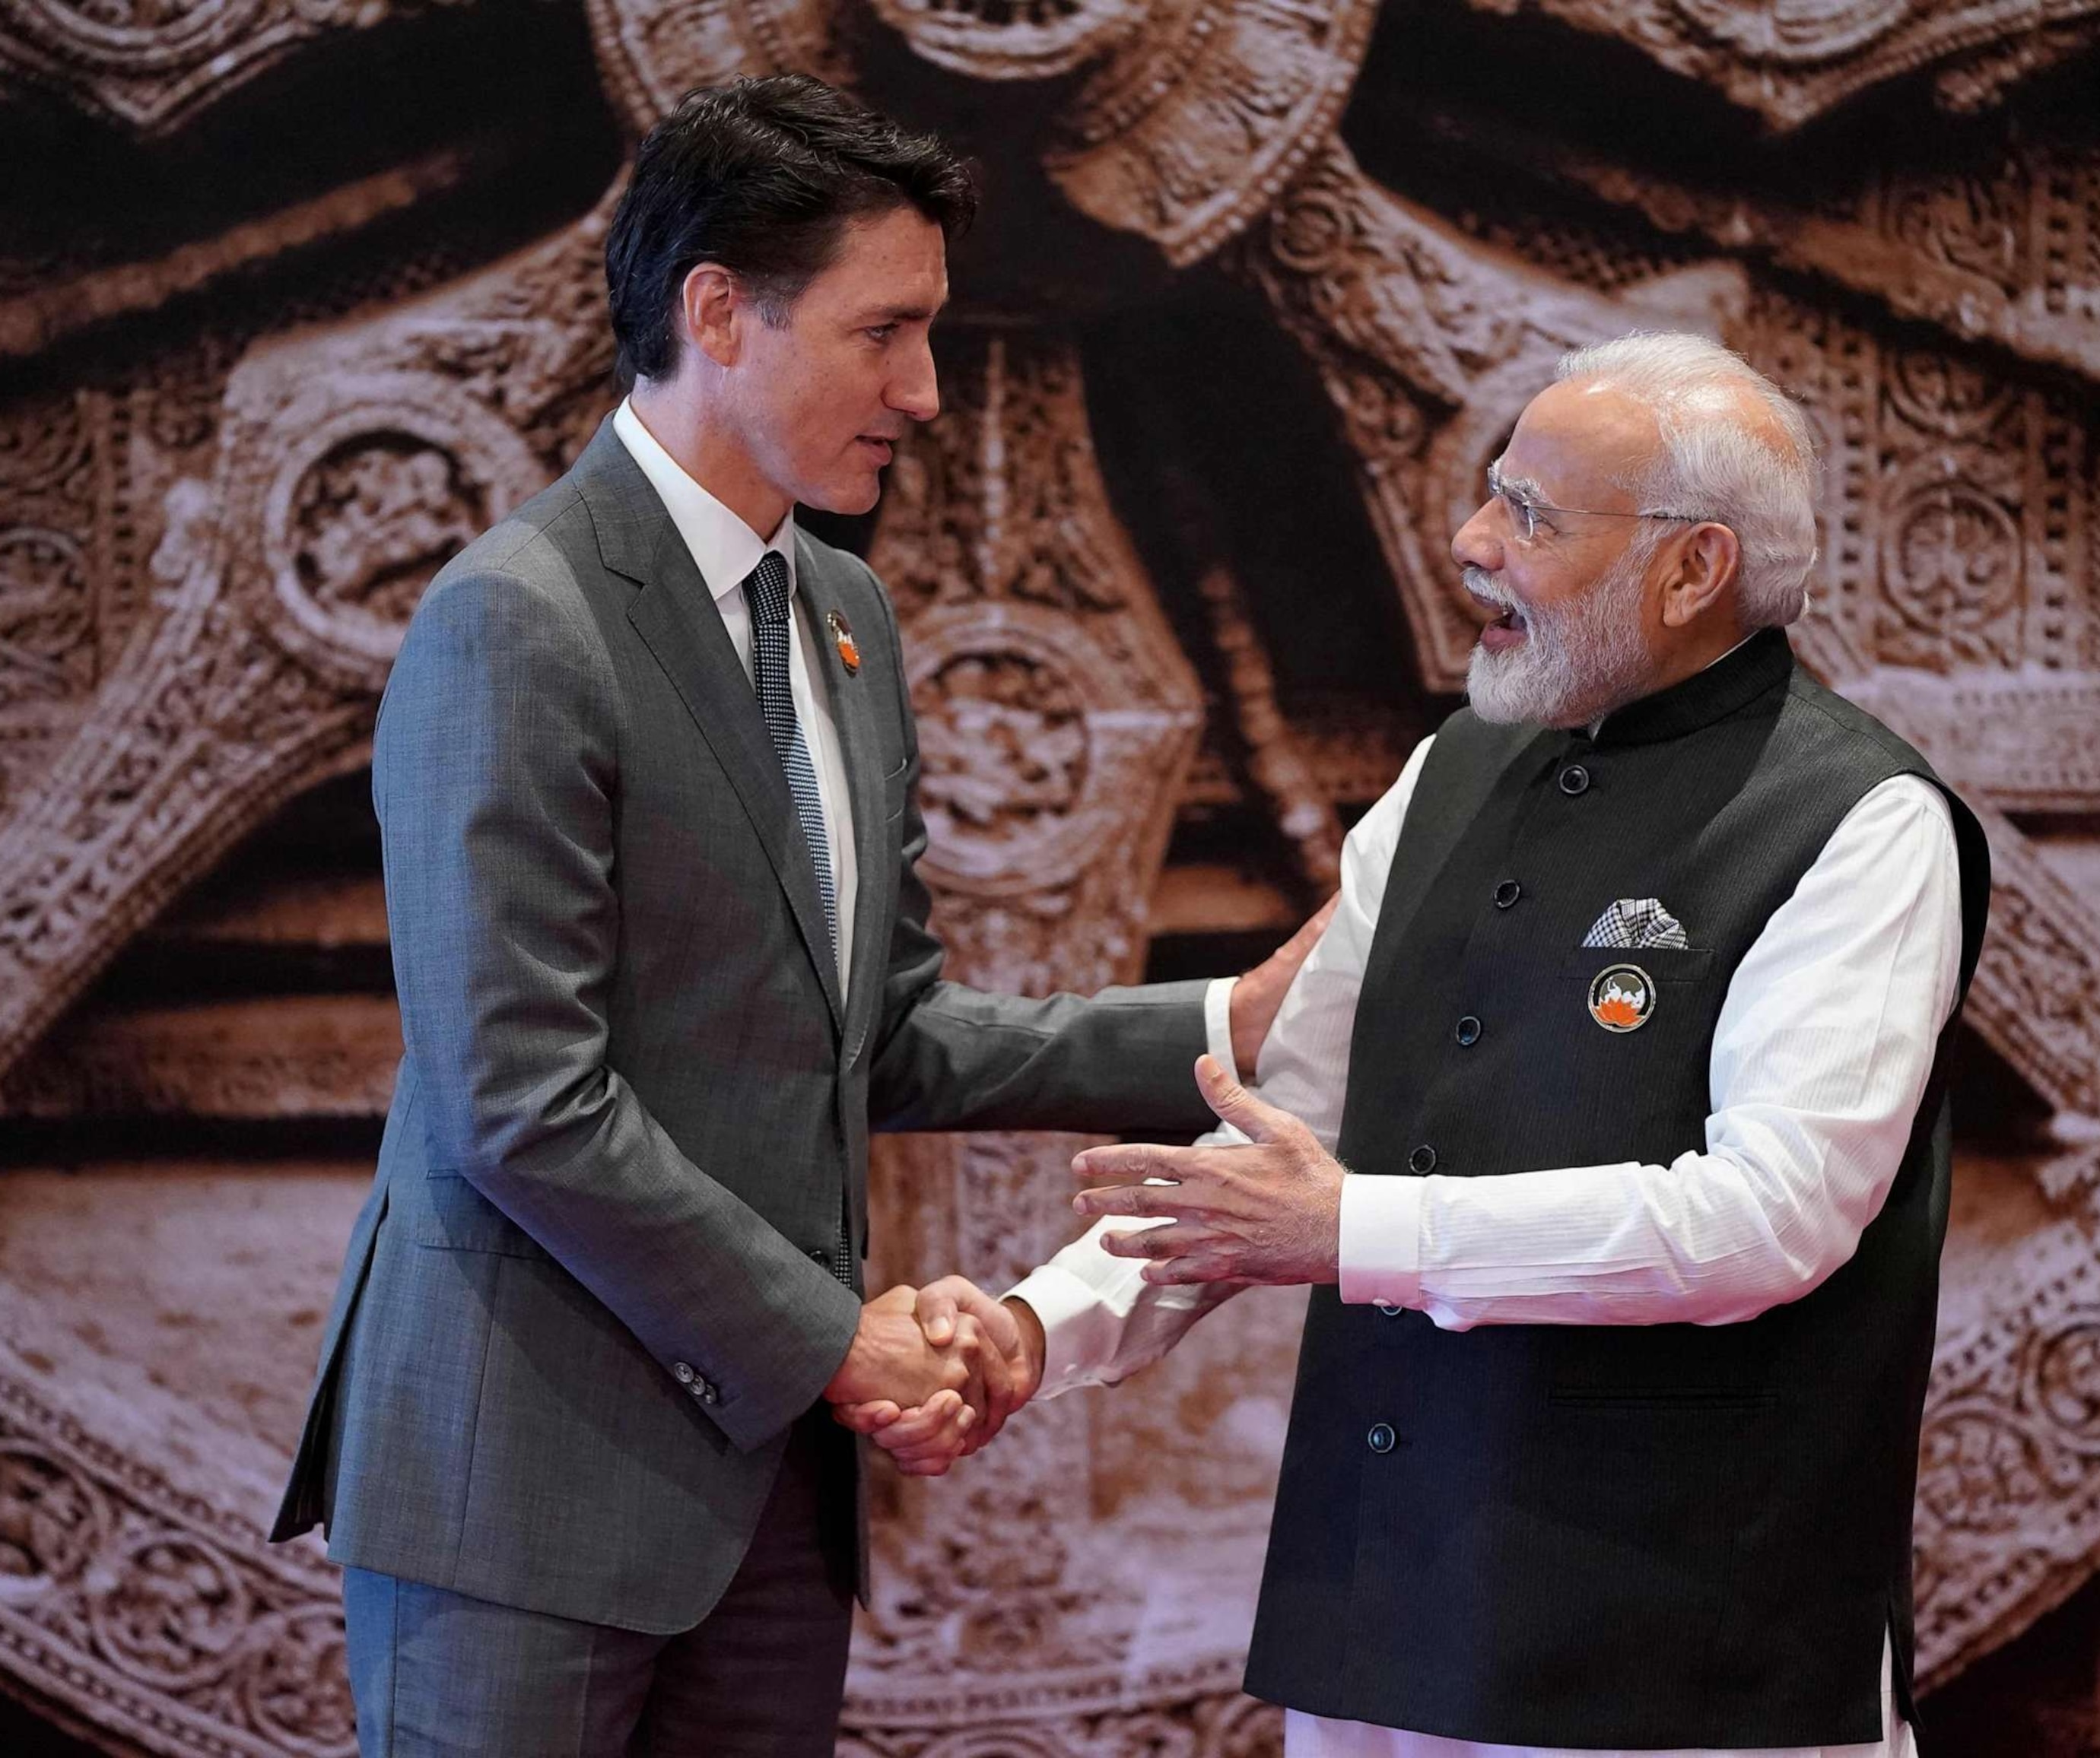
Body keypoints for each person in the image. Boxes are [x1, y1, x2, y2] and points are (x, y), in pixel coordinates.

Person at [269, 73, 1314, 1757]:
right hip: (521, 1492)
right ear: (715, 313)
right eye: (884, 333)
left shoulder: (840, 614)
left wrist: (1220, 1025)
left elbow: (881, 1028)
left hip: (764, 1496)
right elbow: (518, 1096)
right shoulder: (514, 622)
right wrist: (839, 1339)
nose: (923, 389)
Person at [876, 335, 1993, 1758]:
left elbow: (1770, 1219)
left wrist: (1353, 1230)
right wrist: (1044, 1328)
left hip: (1678, 1662)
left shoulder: (1861, 822)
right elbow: (1285, 1140)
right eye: (1491, 495)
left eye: (1531, 514)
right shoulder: (1445, 771)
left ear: (1695, 570)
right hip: (1383, 1625)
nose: (1471, 545)